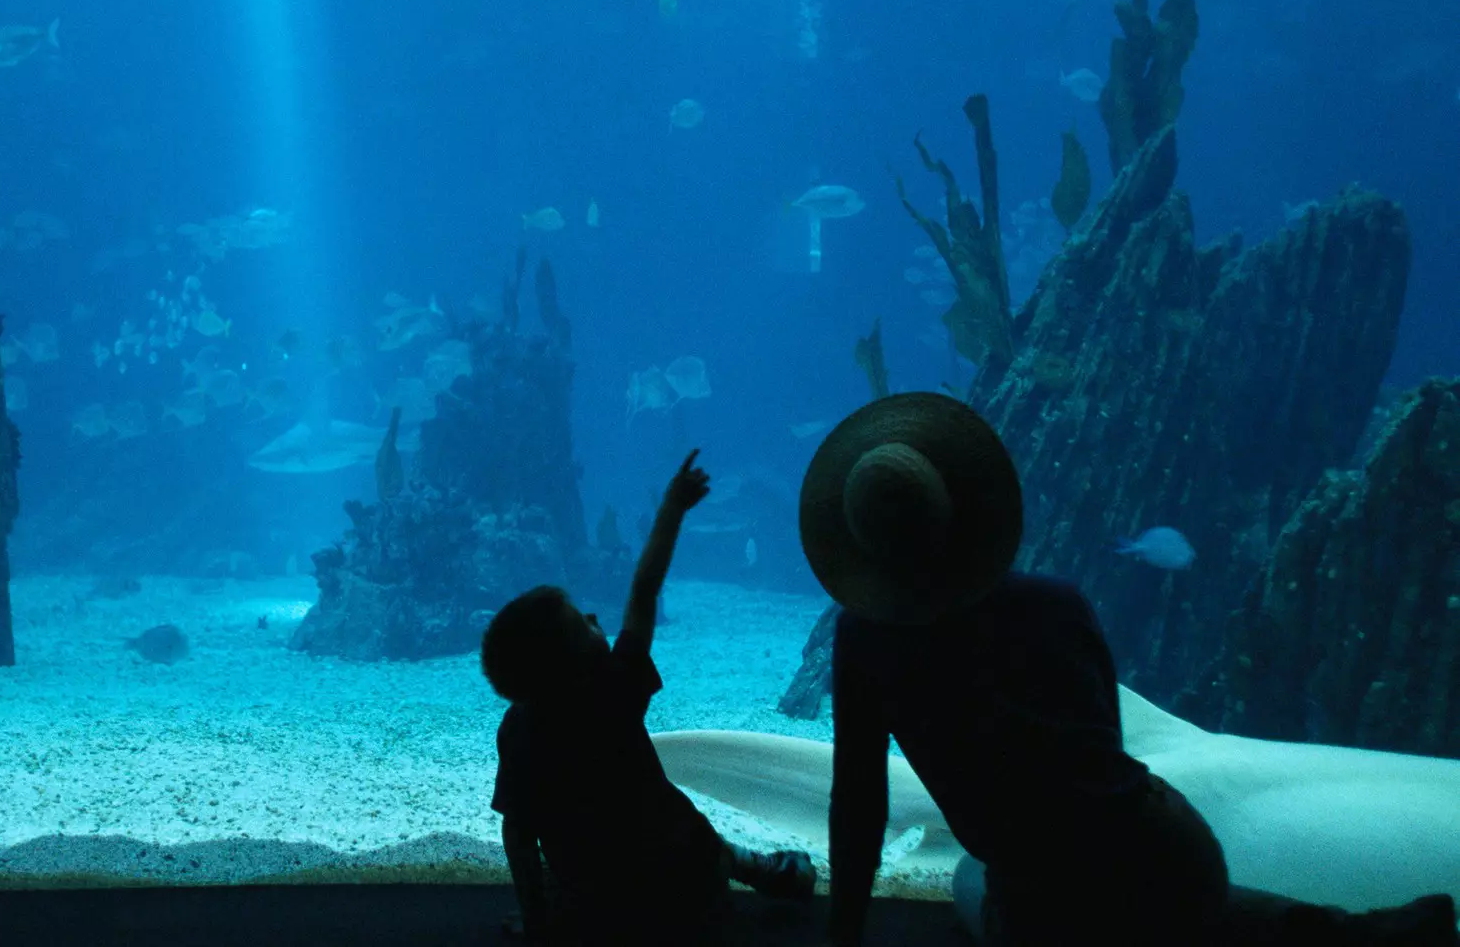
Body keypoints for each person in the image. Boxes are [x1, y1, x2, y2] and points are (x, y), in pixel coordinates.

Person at [799, 391, 1458, 947]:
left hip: (1042, 891)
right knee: (1179, 900)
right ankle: (1353, 934)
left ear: (860, 547)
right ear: (968, 509)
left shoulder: (867, 640)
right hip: (1169, 844)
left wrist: (843, 931)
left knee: (980, 880)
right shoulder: (1055, 602)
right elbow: (1102, 748)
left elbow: (859, 799)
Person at [481, 450, 817, 945]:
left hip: (588, 887)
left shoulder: (518, 727)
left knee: (592, 865)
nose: (596, 619)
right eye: (585, 623)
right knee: (695, 846)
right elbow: (644, 589)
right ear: (575, 666)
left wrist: (536, 919)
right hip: (679, 872)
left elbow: (518, 832)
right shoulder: (613, 691)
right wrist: (672, 508)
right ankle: (759, 869)